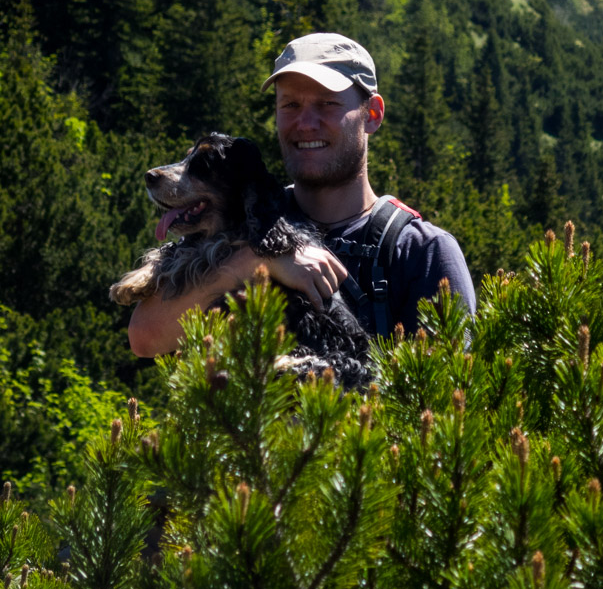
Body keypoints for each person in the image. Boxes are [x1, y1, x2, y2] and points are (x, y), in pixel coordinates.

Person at [128, 32, 475, 357]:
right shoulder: (236, 222)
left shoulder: (421, 252)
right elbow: (145, 337)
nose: (306, 123)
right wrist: (258, 260)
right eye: (290, 105)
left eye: (327, 103)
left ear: (372, 114)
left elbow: (446, 399)